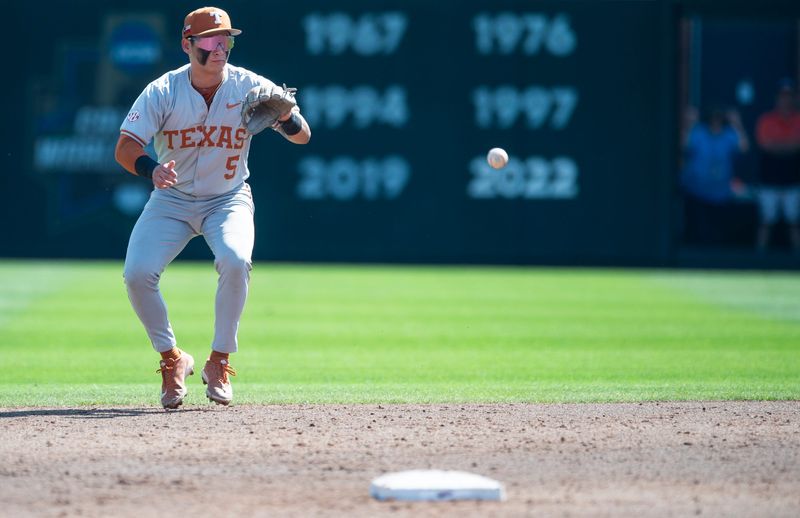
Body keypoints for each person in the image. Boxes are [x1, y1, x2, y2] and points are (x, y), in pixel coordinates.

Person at [114, 7, 311, 409]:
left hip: (228, 197)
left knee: (236, 260)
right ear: (188, 45)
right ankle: (172, 359)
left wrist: (287, 115)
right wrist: (151, 169)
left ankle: (218, 361)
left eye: (226, 39)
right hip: (172, 198)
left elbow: (303, 136)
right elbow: (125, 147)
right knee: (136, 274)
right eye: (209, 40)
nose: (219, 47)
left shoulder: (248, 85)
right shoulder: (162, 91)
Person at [680, 105, 750, 245]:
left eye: (719, 119)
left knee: (718, 235)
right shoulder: (699, 132)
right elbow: (684, 145)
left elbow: (744, 147)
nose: (716, 122)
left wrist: (737, 124)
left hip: (721, 194)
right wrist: (688, 124)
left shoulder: (729, 134)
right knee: (697, 233)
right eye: (713, 119)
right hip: (697, 193)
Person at [754, 79, 800, 252]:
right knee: (766, 221)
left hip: (793, 179)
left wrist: (779, 145)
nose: (785, 100)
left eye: (789, 96)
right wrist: (789, 146)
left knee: (794, 222)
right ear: (777, 98)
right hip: (770, 179)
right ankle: (759, 259)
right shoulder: (766, 120)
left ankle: (797, 261)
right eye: (782, 96)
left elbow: (796, 145)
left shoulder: (798, 120)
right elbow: (765, 144)